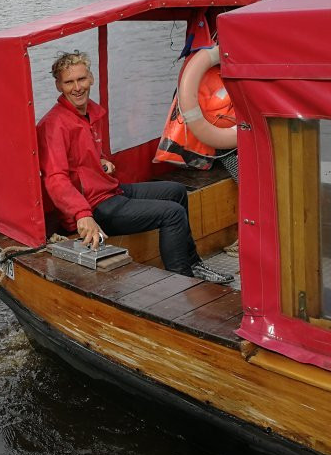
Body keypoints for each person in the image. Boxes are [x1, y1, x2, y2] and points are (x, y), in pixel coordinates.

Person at [36, 51, 232, 284]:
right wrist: (82, 215)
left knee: (176, 192)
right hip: (94, 207)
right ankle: (182, 282)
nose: (77, 87)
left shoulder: (88, 113)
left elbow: (80, 156)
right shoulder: (53, 125)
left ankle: (193, 264)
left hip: (108, 191)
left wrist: (100, 161)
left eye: (81, 79)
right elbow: (55, 178)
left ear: (91, 78)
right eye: (69, 82)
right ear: (59, 85)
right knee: (172, 214)